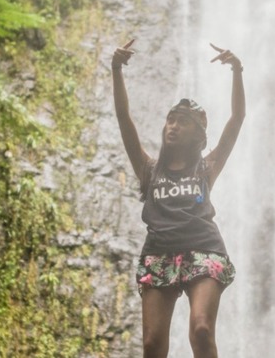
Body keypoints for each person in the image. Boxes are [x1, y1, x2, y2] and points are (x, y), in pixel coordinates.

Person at [111, 38, 245, 358]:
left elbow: (236, 120)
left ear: (198, 135)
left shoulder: (206, 168)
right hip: (160, 254)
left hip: (204, 249)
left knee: (200, 329)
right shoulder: (149, 169)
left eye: (182, 122)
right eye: (170, 120)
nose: (173, 126)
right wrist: (116, 69)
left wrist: (237, 71)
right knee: (152, 346)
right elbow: (124, 119)